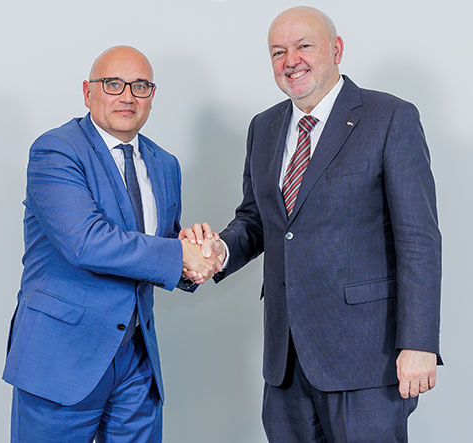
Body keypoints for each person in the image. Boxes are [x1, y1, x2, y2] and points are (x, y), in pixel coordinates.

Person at [181, 7, 442, 442]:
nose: (291, 61)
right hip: (286, 361)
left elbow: (419, 239)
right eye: (278, 52)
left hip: (367, 358)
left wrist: (419, 342)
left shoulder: (390, 117)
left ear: (336, 49)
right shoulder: (264, 128)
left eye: (304, 46)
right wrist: (217, 252)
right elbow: (257, 219)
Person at [2, 46, 219, 442]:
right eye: (113, 84)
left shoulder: (165, 163)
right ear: (88, 92)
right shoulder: (56, 150)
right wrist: (179, 256)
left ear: (152, 96)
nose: (127, 96)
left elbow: (160, 246)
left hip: (137, 359)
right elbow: (85, 241)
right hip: (62, 357)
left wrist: (200, 253)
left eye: (140, 86)